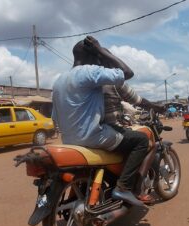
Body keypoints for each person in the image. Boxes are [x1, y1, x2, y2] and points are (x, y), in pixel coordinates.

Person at [52, 36, 146, 206]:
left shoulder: (59, 80)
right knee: (141, 140)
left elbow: (54, 117)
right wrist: (100, 49)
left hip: (69, 141)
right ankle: (124, 187)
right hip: (93, 137)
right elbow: (127, 73)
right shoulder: (89, 72)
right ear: (93, 55)